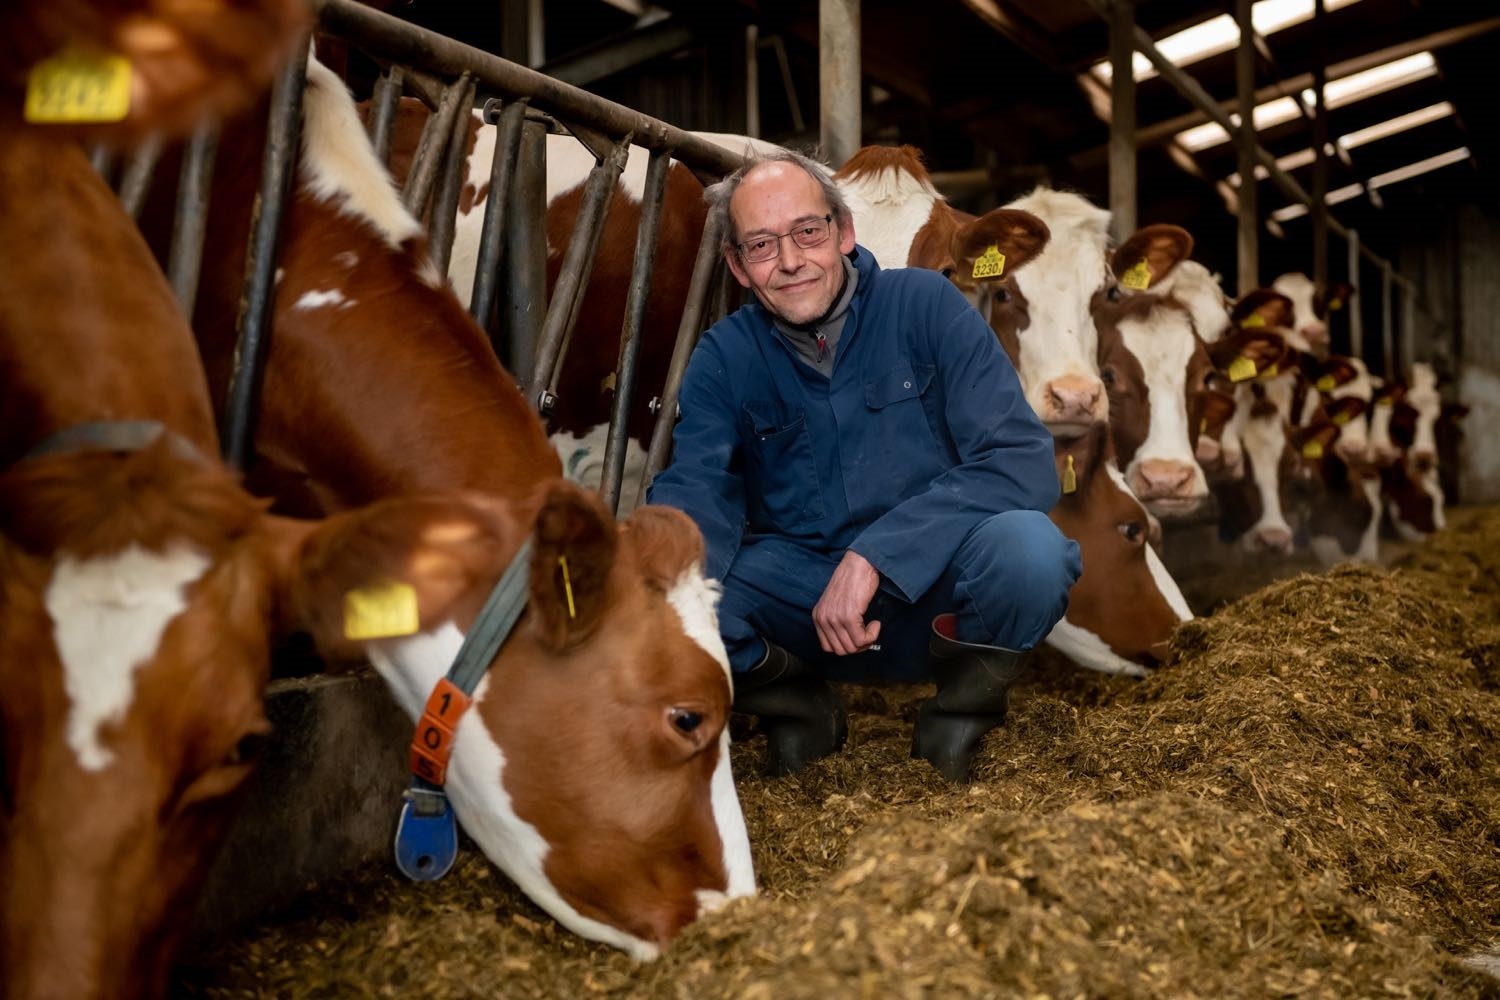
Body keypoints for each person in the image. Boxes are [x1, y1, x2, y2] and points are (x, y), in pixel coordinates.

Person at [646, 150, 1081, 782]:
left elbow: (1022, 461)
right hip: (805, 607)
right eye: (763, 245)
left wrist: (877, 555)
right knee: (688, 600)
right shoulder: (724, 357)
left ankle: (959, 719)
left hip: (934, 595)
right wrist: (660, 592)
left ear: (844, 232)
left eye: (807, 232)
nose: (791, 260)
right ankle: (799, 709)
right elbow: (698, 488)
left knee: (1032, 554)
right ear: (738, 267)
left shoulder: (927, 305)